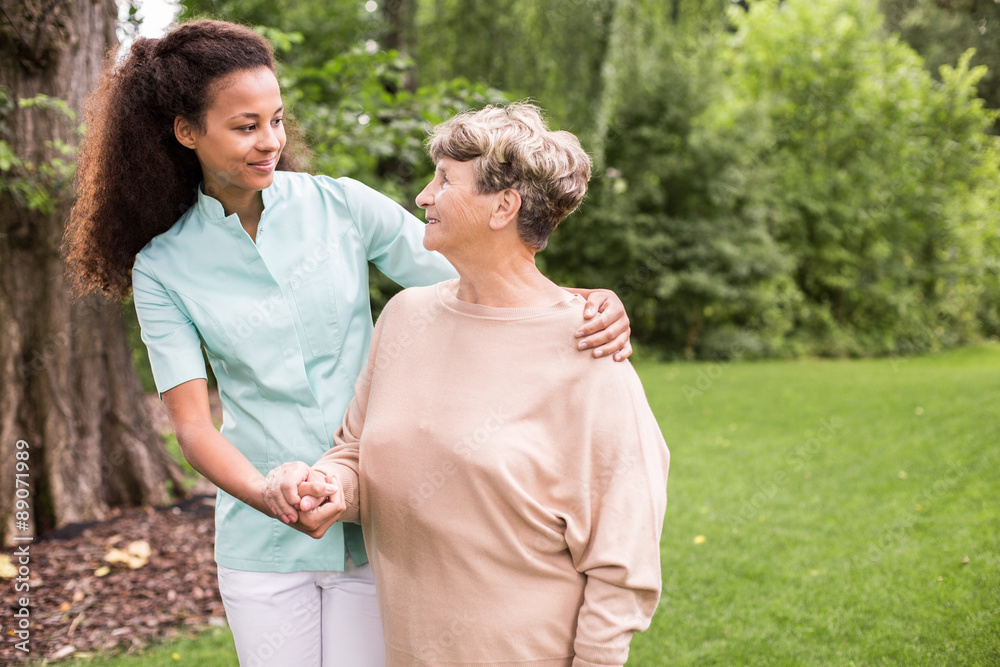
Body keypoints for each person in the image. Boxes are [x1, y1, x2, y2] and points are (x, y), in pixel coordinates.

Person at [62, 20, 635, 667]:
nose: (271, 141)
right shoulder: (164, 266)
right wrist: (266, 493)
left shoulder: (343, 207)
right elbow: (194, 428)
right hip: (262, 545)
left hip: (378, 527)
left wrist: (576, 303)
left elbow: (486, 274)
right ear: (187, 132)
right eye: (246, 126)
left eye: (276, 119)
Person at [265, 104, 670, 666]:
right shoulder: (406, 316)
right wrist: (327, 484)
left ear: (504, 206)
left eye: (445, 180)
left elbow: (622, 562)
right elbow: (356, 452)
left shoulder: (592, 356)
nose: (424, 197)